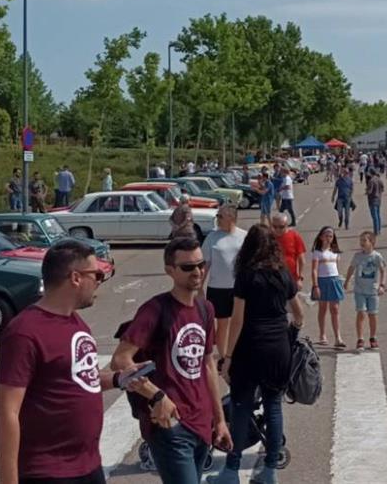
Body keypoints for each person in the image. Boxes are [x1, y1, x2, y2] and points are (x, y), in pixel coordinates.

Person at [0, 240, 132, 484]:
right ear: (76, 277)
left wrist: (121, 378)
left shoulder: (77, 323)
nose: (100, 281)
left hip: (88, 466)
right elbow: (8, 412)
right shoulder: (24, 332)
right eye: (97, 275)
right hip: (48, 472)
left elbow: (79, 378)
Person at [112, 237, 231, 483]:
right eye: (187, 267)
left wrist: (219, 420)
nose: (197, 272)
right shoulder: (155, 310)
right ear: (170, 271)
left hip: (202, 422)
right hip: (171, 426)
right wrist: (156, 396)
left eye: (201, 264)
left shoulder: (205, 309)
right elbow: (120, 360)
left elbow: (207, 365)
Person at [212, 225, 304, 484]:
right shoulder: (283, 274)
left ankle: (231, 470)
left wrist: (227, 356)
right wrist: (290, 335)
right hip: (278, 347)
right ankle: (270, 470)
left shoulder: (246, 275)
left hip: (250, 346)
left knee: (241, 408)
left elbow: (238, 319)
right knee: (274, 407)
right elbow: (299, 315)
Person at [202, 205, 246, 366]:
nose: (217, 219)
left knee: (240, 321)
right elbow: (205, 263)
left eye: (220, 216)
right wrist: (199, 287)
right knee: (222, 323)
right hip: (217, 287)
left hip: (239, 288)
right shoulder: (212, 237)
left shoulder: (244, 236)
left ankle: (237, 353)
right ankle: (222, 356)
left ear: (231, 218)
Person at [344, 231, 387, 350]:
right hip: (359, 290)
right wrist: (346, 281)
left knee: (372, 314)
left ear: (371, 242)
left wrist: (382, 285)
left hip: (373, 290)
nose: (362, 243)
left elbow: (383, 271)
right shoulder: (358, 256)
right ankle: (360, 339)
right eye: (361, 241)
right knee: (361, 313)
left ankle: (373, 337)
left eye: (364, 240)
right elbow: (351, 268)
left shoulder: (377, 256)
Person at [311, 227, 345, 348]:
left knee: (335, 309)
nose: (328, 238)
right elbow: (314, 270)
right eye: (326, 235)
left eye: (330, 236)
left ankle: (338, 337)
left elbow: (336, 267)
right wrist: (315, 285)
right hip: (322, 281)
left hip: (334, 280)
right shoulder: (317, 252)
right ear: (321, 237)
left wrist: (340, 280)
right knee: (323, 308)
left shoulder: (335, 252)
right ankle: (322, 335)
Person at [271, 213, 307, 298]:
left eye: (281, 227)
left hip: (291, 278)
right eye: (275, 227)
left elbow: (302, 260)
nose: (278, 229)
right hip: (273, 279)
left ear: (287, 225)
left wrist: (300, 279)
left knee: (292, 308)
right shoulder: (268, 237)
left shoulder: (294, 236)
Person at [366, 169, 384, 236]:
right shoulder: (379, 179)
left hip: (372, 199)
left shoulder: (371, 181)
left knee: (374, 216)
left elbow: (369, 191)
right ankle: (379, 229)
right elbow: (382, 188)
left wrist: (367, 191)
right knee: (378, 215)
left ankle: (376, 231)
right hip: (379, 198)